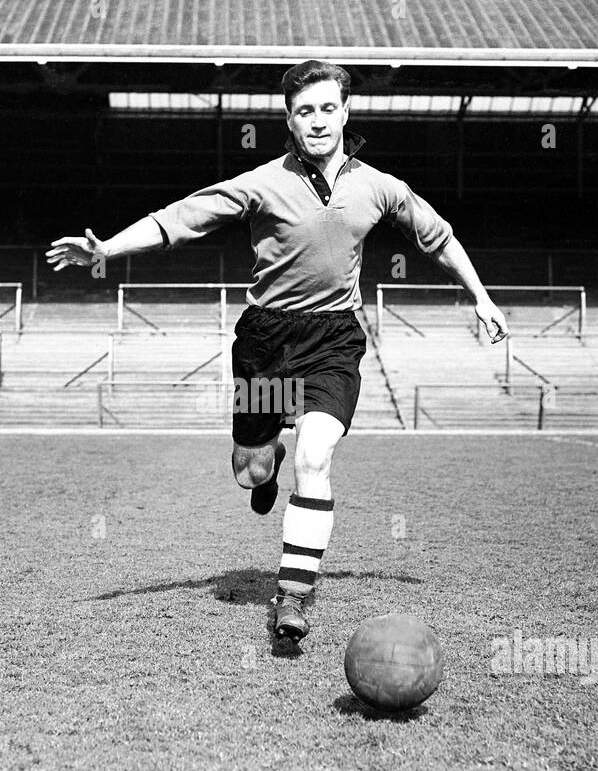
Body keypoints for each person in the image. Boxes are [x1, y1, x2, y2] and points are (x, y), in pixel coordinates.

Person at [48, 60, 508, 648]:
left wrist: (483, 299)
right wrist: (108, 248)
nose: (317, 121)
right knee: (253, 468)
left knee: (316, 456)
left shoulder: (379, 187)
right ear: (289, 120)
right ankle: (266, 461)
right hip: (267, 342)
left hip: (333, 339)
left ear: (346, 111)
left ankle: (293, 595)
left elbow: (436, 235)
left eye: (326, 108)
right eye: (304, 111)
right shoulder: (261, 183)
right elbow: (181, 219)